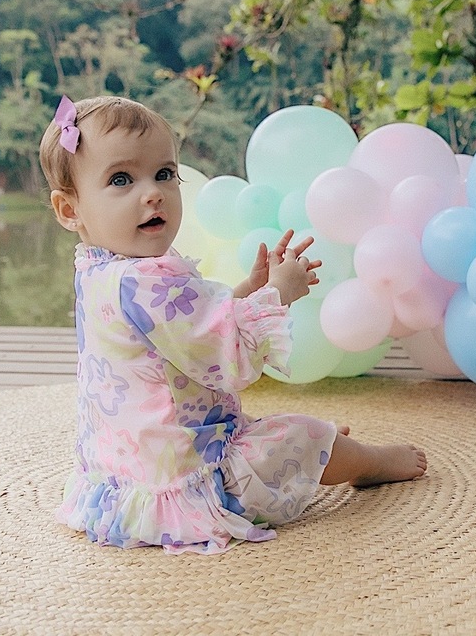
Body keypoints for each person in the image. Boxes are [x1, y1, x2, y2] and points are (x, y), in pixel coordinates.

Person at [39, 95, 426, 555]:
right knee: (301, 436)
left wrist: (246, 288)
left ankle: (316, 455)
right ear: (69, 210)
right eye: (121, 179)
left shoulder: (99, 269)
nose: (152, 192)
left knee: (273, 432)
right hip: (192, 478)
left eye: (164, 173)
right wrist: (278, 291)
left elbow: (186, 336)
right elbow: (226, 357)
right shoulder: (149, 278)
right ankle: (368, 463)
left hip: (126, 475)